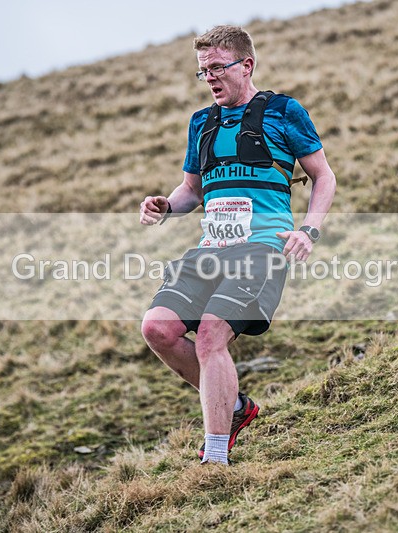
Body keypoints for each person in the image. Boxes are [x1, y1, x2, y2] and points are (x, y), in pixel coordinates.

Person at [139, 25, 336, 465]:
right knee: (157, 328)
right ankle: (234, 408)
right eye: (202, 71)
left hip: (261, 249)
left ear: (245, 66)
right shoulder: (201, 122)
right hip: (209, 250)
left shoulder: (284, 111)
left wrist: (309, 230)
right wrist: (165, 205)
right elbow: (192, 189)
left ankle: (214, 456)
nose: (209, 77)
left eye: (216, 67)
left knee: (211, 337)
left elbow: (324, 176)